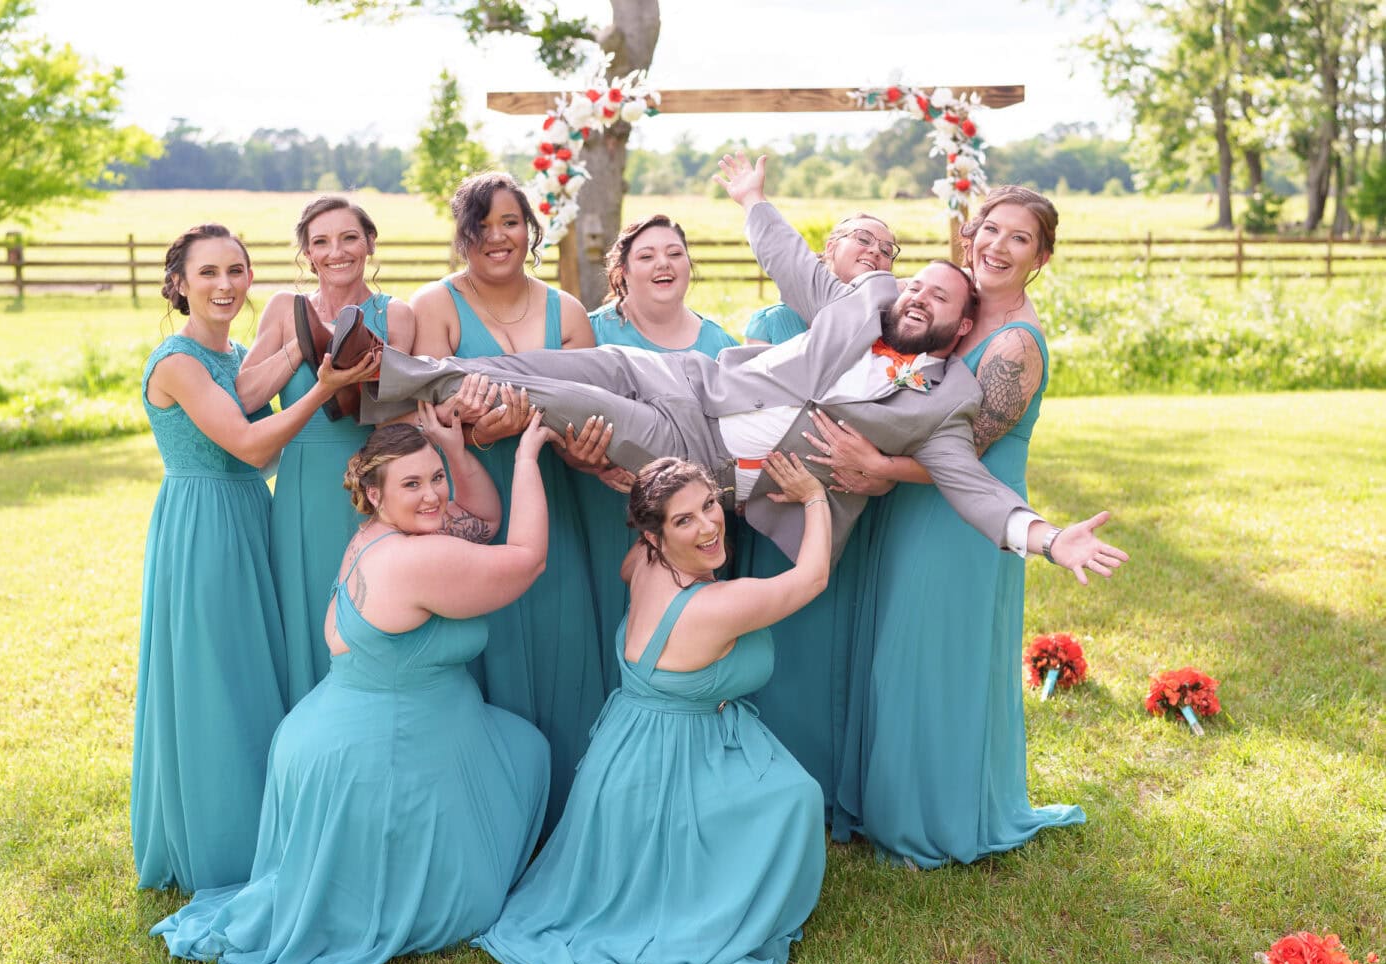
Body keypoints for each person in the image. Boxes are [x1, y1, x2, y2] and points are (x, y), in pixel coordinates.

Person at [361, 154, 1128, 587]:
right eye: (917, 283)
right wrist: (753, 200)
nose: (919, 295)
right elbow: (795, 264)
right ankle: (393, 375)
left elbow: (977, 489)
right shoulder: (862, 304)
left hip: (700, 453)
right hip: (689, 382)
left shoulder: (942, 405)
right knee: (549, 360)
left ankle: (377, 376)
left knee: (551, 395)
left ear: (961, 327)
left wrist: (1050, 538)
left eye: (940, 298)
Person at [151, 410, 555, 964]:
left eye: (435, 478)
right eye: (412, 485)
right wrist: (522, 458)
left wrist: (453, 451)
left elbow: (484, 522)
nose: (433, 495)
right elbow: (526, 558)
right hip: (376, 750)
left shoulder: (384, 533)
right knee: (518, 774)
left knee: (523, 749)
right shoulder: (416, 557)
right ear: (373, 492)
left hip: (350, 726)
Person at [475, 454, 830, 964]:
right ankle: (709, 905)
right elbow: (813, 577)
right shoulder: (717, 605)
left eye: (709, 505)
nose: (710, 525)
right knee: (797, 797)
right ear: (657, 535)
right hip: (671, 759)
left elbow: (628, 564)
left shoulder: (643, 562)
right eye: (684, 520)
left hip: (623, 749)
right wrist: (813, 497)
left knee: (782, 787)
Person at [825, 186, 1087, 867]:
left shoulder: (1013, 346)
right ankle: (883, 799)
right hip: (909, 508)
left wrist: (877, 463)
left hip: (964, 526)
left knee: (936, 663)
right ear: (968, 234)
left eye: (1019, 238)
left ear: (1042, 257)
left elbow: (963, 457)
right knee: (896, 656)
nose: (997, 246)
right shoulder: (954, 312)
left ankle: (932, 820)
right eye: (989, 229)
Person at [133, 223, 377, 893]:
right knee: (215, 677)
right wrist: (324, 388)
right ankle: (221, 843)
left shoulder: (237, 356)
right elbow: (245, 442)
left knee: (256, 672)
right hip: (202, 525)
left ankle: (270, 823)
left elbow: (268, 451)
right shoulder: (177, 361)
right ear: (179, 284)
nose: (225, 285)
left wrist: (307, 365)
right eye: (208, 273)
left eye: (236, 271)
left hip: (250, 515)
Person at [405, 171, 603, 833]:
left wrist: (526, 424)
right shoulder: (434, 305)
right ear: (464, 236)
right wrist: (471, 423)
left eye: (511, 222)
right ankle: (485, 814)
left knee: (561, 633)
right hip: (469, 496)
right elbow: (423, 409)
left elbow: (593, 411)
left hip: (554, 490)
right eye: (483, 224)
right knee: (482, 640)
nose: (499, 237)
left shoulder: (567, 312)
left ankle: (569, 810)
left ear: (530, 230)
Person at [731, 211, 901, 817]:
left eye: (889, 248)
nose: (878, 251)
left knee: (836, 654)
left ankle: (833, 789)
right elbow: (752, 406)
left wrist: (874, 470)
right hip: (774, 508)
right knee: (780, 648)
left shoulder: (889, 333)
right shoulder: (774, 321)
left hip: (842, 514)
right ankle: (773, 787)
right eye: (863, 237)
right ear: (827, 249)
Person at [239, 196, 415, 708]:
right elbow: (246, 396)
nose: (336, 252)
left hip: (371, 488)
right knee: (308, 616)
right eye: (321, 242)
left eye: (348, 238)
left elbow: (400, 411)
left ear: (370, 244)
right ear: (308, 254)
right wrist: (305, 339)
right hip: (301, 490)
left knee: (371, 614)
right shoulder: (281, 309)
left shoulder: (396, 313)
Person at [573, 214, 738, 692]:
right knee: (601, 621)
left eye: (674, 253)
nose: (663, 263)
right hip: (601, 503)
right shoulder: (593, 333)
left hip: (689, 526)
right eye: (646, 256)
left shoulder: (719, 344)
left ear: (689, 264)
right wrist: (585, 458)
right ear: (621, 271)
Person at [744, 212, 900, 345]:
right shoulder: (770, 323)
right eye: (864, 239)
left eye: (886, 250)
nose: (875, 250)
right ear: (831, 248)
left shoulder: (893, 330)